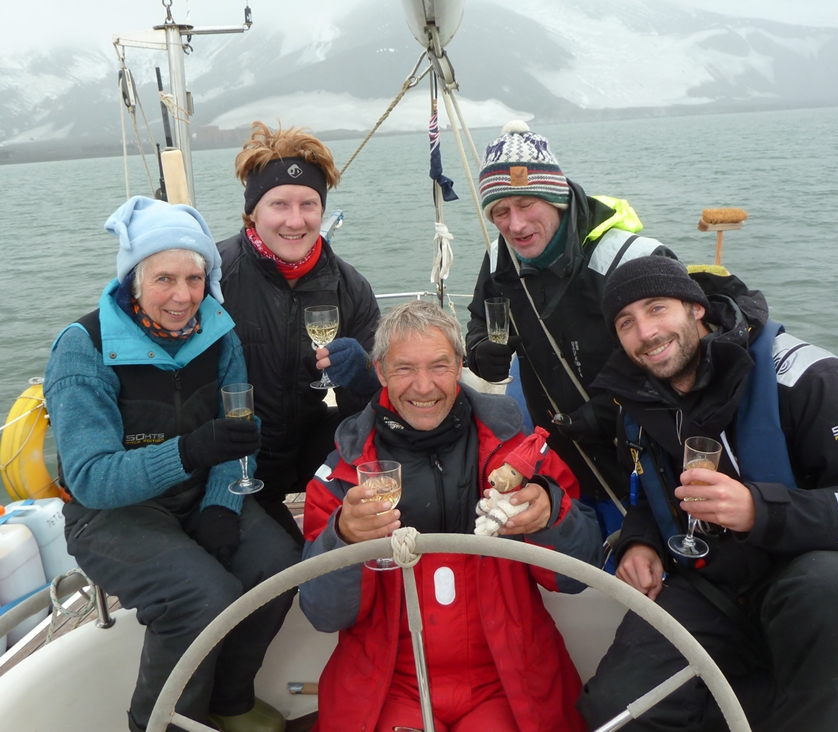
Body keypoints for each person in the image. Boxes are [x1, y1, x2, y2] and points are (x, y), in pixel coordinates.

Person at [576, 256, 838, 731]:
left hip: (816, 586)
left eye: (657, 308)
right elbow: (648, 493)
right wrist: (640, 540)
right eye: (626, 322)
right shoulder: (637, 400)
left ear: (696, 308)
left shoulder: (814, 380)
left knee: (832, 593)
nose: (645, 332)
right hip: (713, 587)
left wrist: (760, 510)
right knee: (617, 711)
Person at [45, 196, 304, 732]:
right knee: (201, 596)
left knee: (279, 564)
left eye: (195, 278)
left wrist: (221, 505)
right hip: (111, 515)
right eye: (165, 279)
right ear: (133, 280)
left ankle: (229, 700)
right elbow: (91, 478)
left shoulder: (218, 334)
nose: (183, 297)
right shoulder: (84, 348)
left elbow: (239, 431)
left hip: (199, 493)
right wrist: (190, 451)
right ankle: (160, 725)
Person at [300, 300, 602, 732]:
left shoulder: (521, 456)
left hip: (505, 680)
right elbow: (324, 613)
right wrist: (343, 538)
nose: (424, 387)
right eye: (404, 369)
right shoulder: (341, 477)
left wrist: (552, 515)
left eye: (440, 366)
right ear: (380, 371)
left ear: (460, 365)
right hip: (390, 683)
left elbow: (579, 574)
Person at [465, 120, 675, 527]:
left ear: (557, 199)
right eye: (501, 212)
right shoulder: (498, 260)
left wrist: (606, 411)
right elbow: (479, 321)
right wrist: (479, 352)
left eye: (527, 204)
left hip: (640, 450)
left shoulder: (630, 258)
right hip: (558, 456)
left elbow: (679, 356)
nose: (515, 225)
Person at [218, 120, 381, 542]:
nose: (295, 220)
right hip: (233, 467)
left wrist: (364, 372)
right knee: (283, 566)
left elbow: (376, 399)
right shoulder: (212, 280)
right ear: (253, 211)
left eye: (308, 204)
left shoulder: (351, 288)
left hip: (309, 452)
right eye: (279, 204)